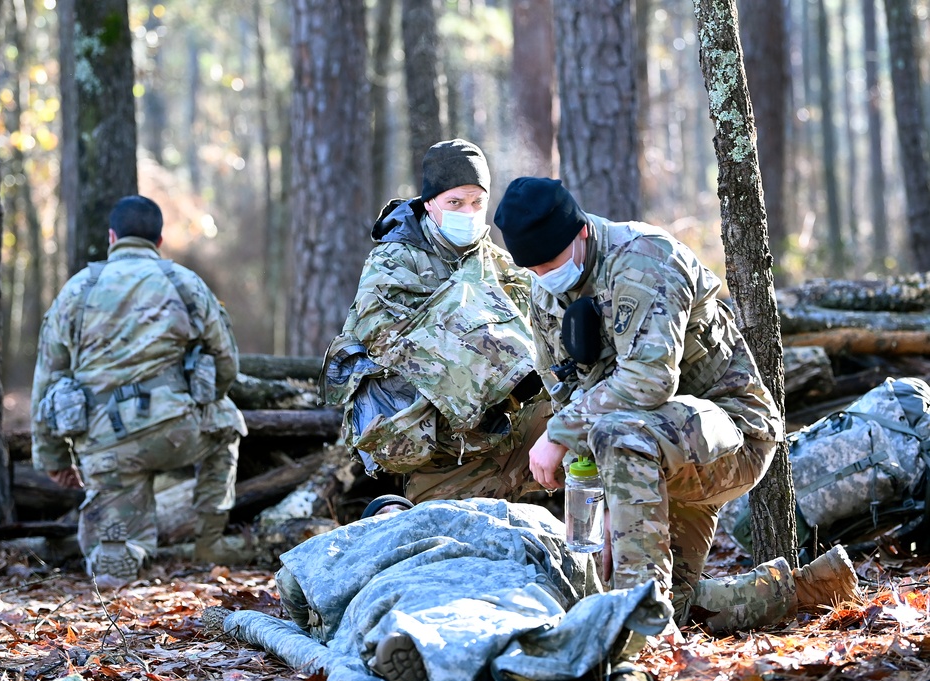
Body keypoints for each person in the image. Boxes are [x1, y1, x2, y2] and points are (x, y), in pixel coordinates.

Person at [493, 177, 859, 631]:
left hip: (731, 438)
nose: (546, 278)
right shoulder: (544, 289)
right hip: (649, 453)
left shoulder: (645, 259)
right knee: (678, 605)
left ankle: (637, 630)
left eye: (553, 264)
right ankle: (807, 589)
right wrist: (600, 493)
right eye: (535, 270)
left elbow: (648, 382)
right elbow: (565, 389)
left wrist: (559, 434)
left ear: (582, 232)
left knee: (619, 438)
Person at [31, 195, 248, 583]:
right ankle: (208, 543)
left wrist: (53, 457)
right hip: (177, 431)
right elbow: (226, 363)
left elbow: (48, 381)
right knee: (228, 421)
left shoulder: (77, 290)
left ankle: (119, 547)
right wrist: (205, 399)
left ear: (112, 237)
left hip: (103, 444)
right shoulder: (185, 284)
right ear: (159, 242)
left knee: (116, 514)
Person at [321, 139, 548, 503]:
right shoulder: (395, 260)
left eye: (477, 202)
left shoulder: (499, 263)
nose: (468, 212)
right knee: (440, 539)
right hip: (439, 444)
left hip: (507, 427)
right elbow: (377, 341)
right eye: (454, 203)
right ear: (430, 204)